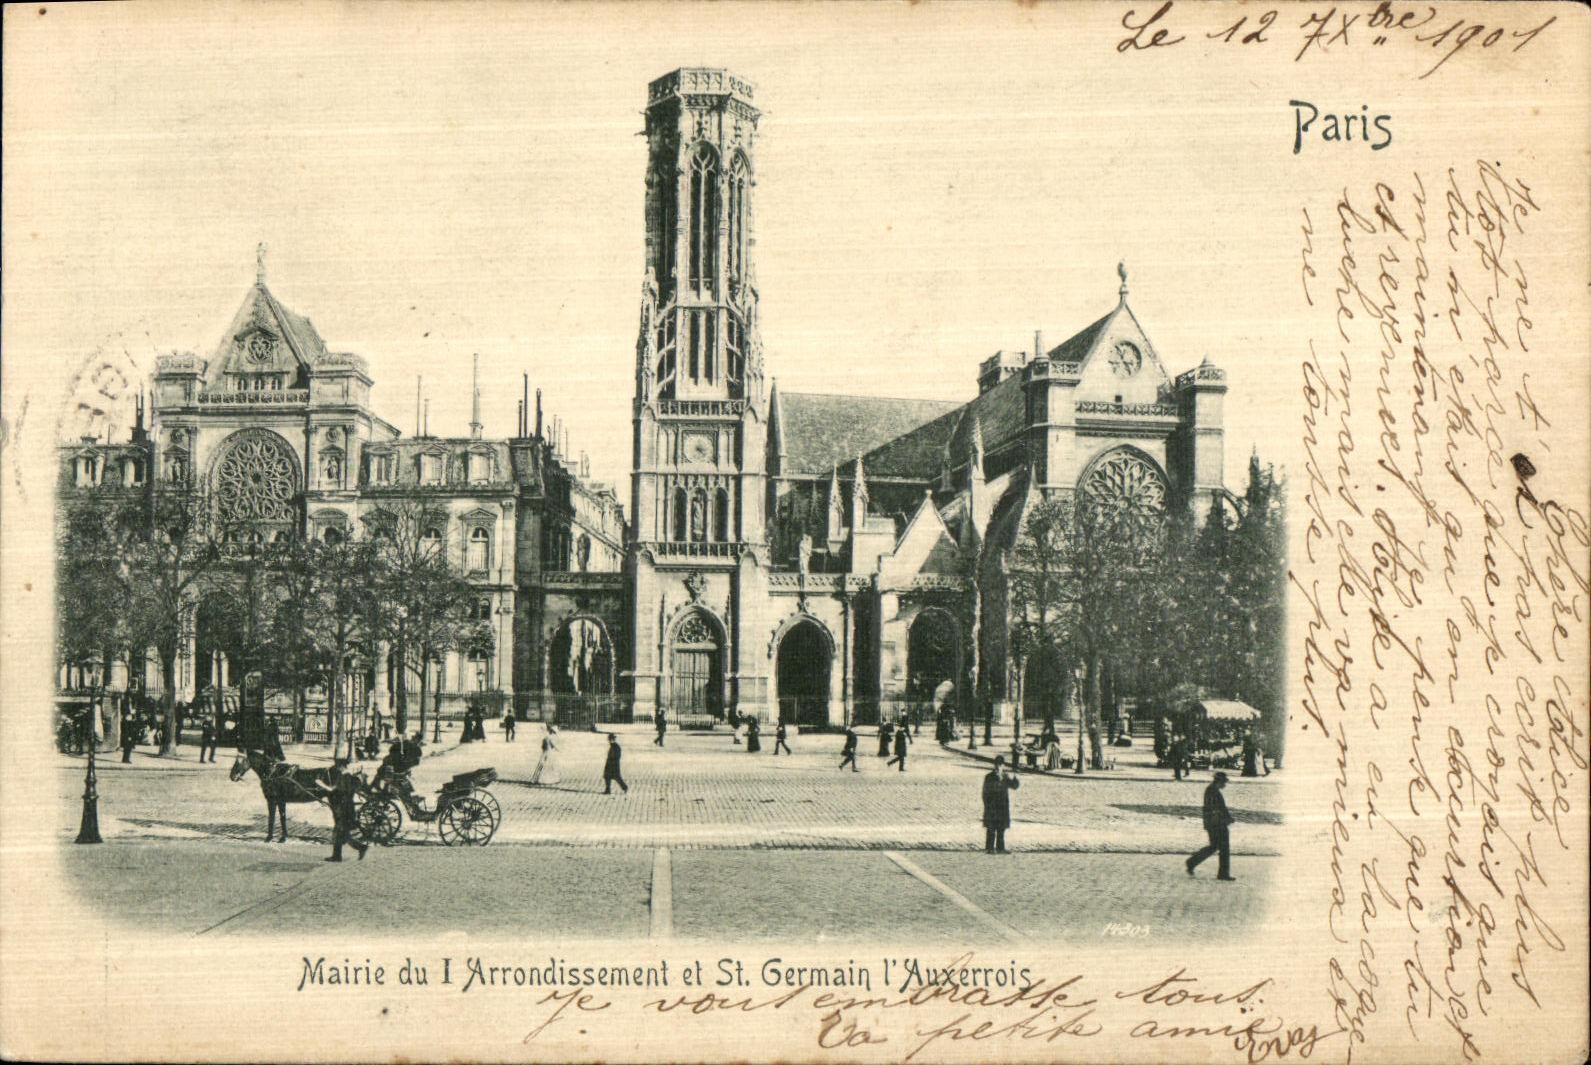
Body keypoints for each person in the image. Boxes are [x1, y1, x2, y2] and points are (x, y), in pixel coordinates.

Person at [314, 758, 368, 863]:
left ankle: (356, 849)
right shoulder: (350, 777)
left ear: (341, 767)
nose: (337, 768)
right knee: (343, 833)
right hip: (348, 808)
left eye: (338, 767)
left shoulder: (344, 777)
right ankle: (341, 854)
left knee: (339, 832)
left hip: (342, 809)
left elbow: (333, 789)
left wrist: (320, 783)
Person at [1186, 771, 1235, 880]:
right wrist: (1226, 819)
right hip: (1217, 824)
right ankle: (1223, 874)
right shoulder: (1212, 791)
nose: (1225, 785)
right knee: (1224, 848)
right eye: (1224, 782)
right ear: (1220, 782)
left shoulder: (1212, 790)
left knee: (1214, 846)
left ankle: (1192, 862)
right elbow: (1216, 809)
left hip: (1213, 823)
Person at [982, 756, 1020, 854]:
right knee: (991, 828)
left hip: (1002, 806)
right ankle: (989, 848)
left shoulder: (1005, 777)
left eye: (1000, 765)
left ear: (1003, 766)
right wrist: (987, 804)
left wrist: (1015, 778)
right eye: (997, 765)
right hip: (992, 806)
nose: (998, 767)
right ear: (994, 766)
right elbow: (985, 792)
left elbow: (1014, 786)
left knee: (1001, 828)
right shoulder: (989, 777)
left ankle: (1000, 848)